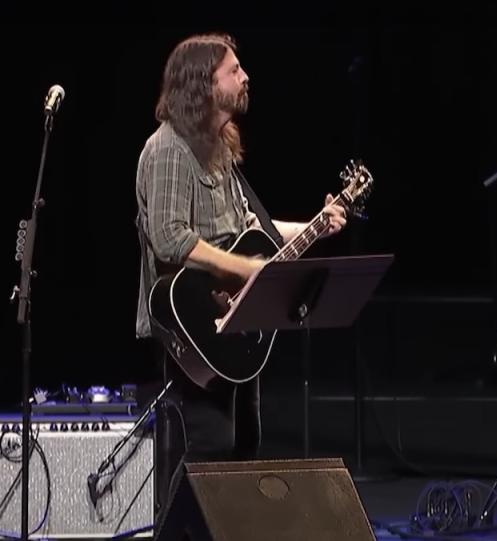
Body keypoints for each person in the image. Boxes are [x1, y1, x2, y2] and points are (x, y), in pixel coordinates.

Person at [134, 32, 348, 516]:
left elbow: (249, 229)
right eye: (233, 71)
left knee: (245, 445)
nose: (245, 76)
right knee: (209, 447)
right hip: (191, 323)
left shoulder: (221, 146)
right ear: (202, 85)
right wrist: (248, 268)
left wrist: (315, 224)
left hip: (237, 319)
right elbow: (170, 238)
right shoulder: (168, 148)